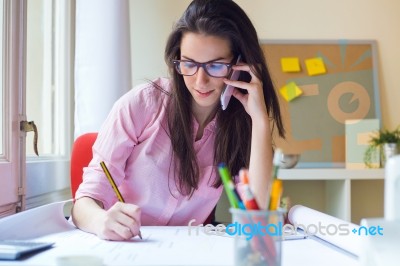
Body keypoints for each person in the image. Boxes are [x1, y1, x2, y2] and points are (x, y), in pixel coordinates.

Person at [71, 0, 285, 241]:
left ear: (239, 66)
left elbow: (258, 213)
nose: (200, 81)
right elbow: (83, 204)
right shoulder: (142, 104)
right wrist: (101, 220)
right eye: (189, 64)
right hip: (123, 246)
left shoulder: (240, 125)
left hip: (185, 251)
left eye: (215, 66)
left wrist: (260, 121)